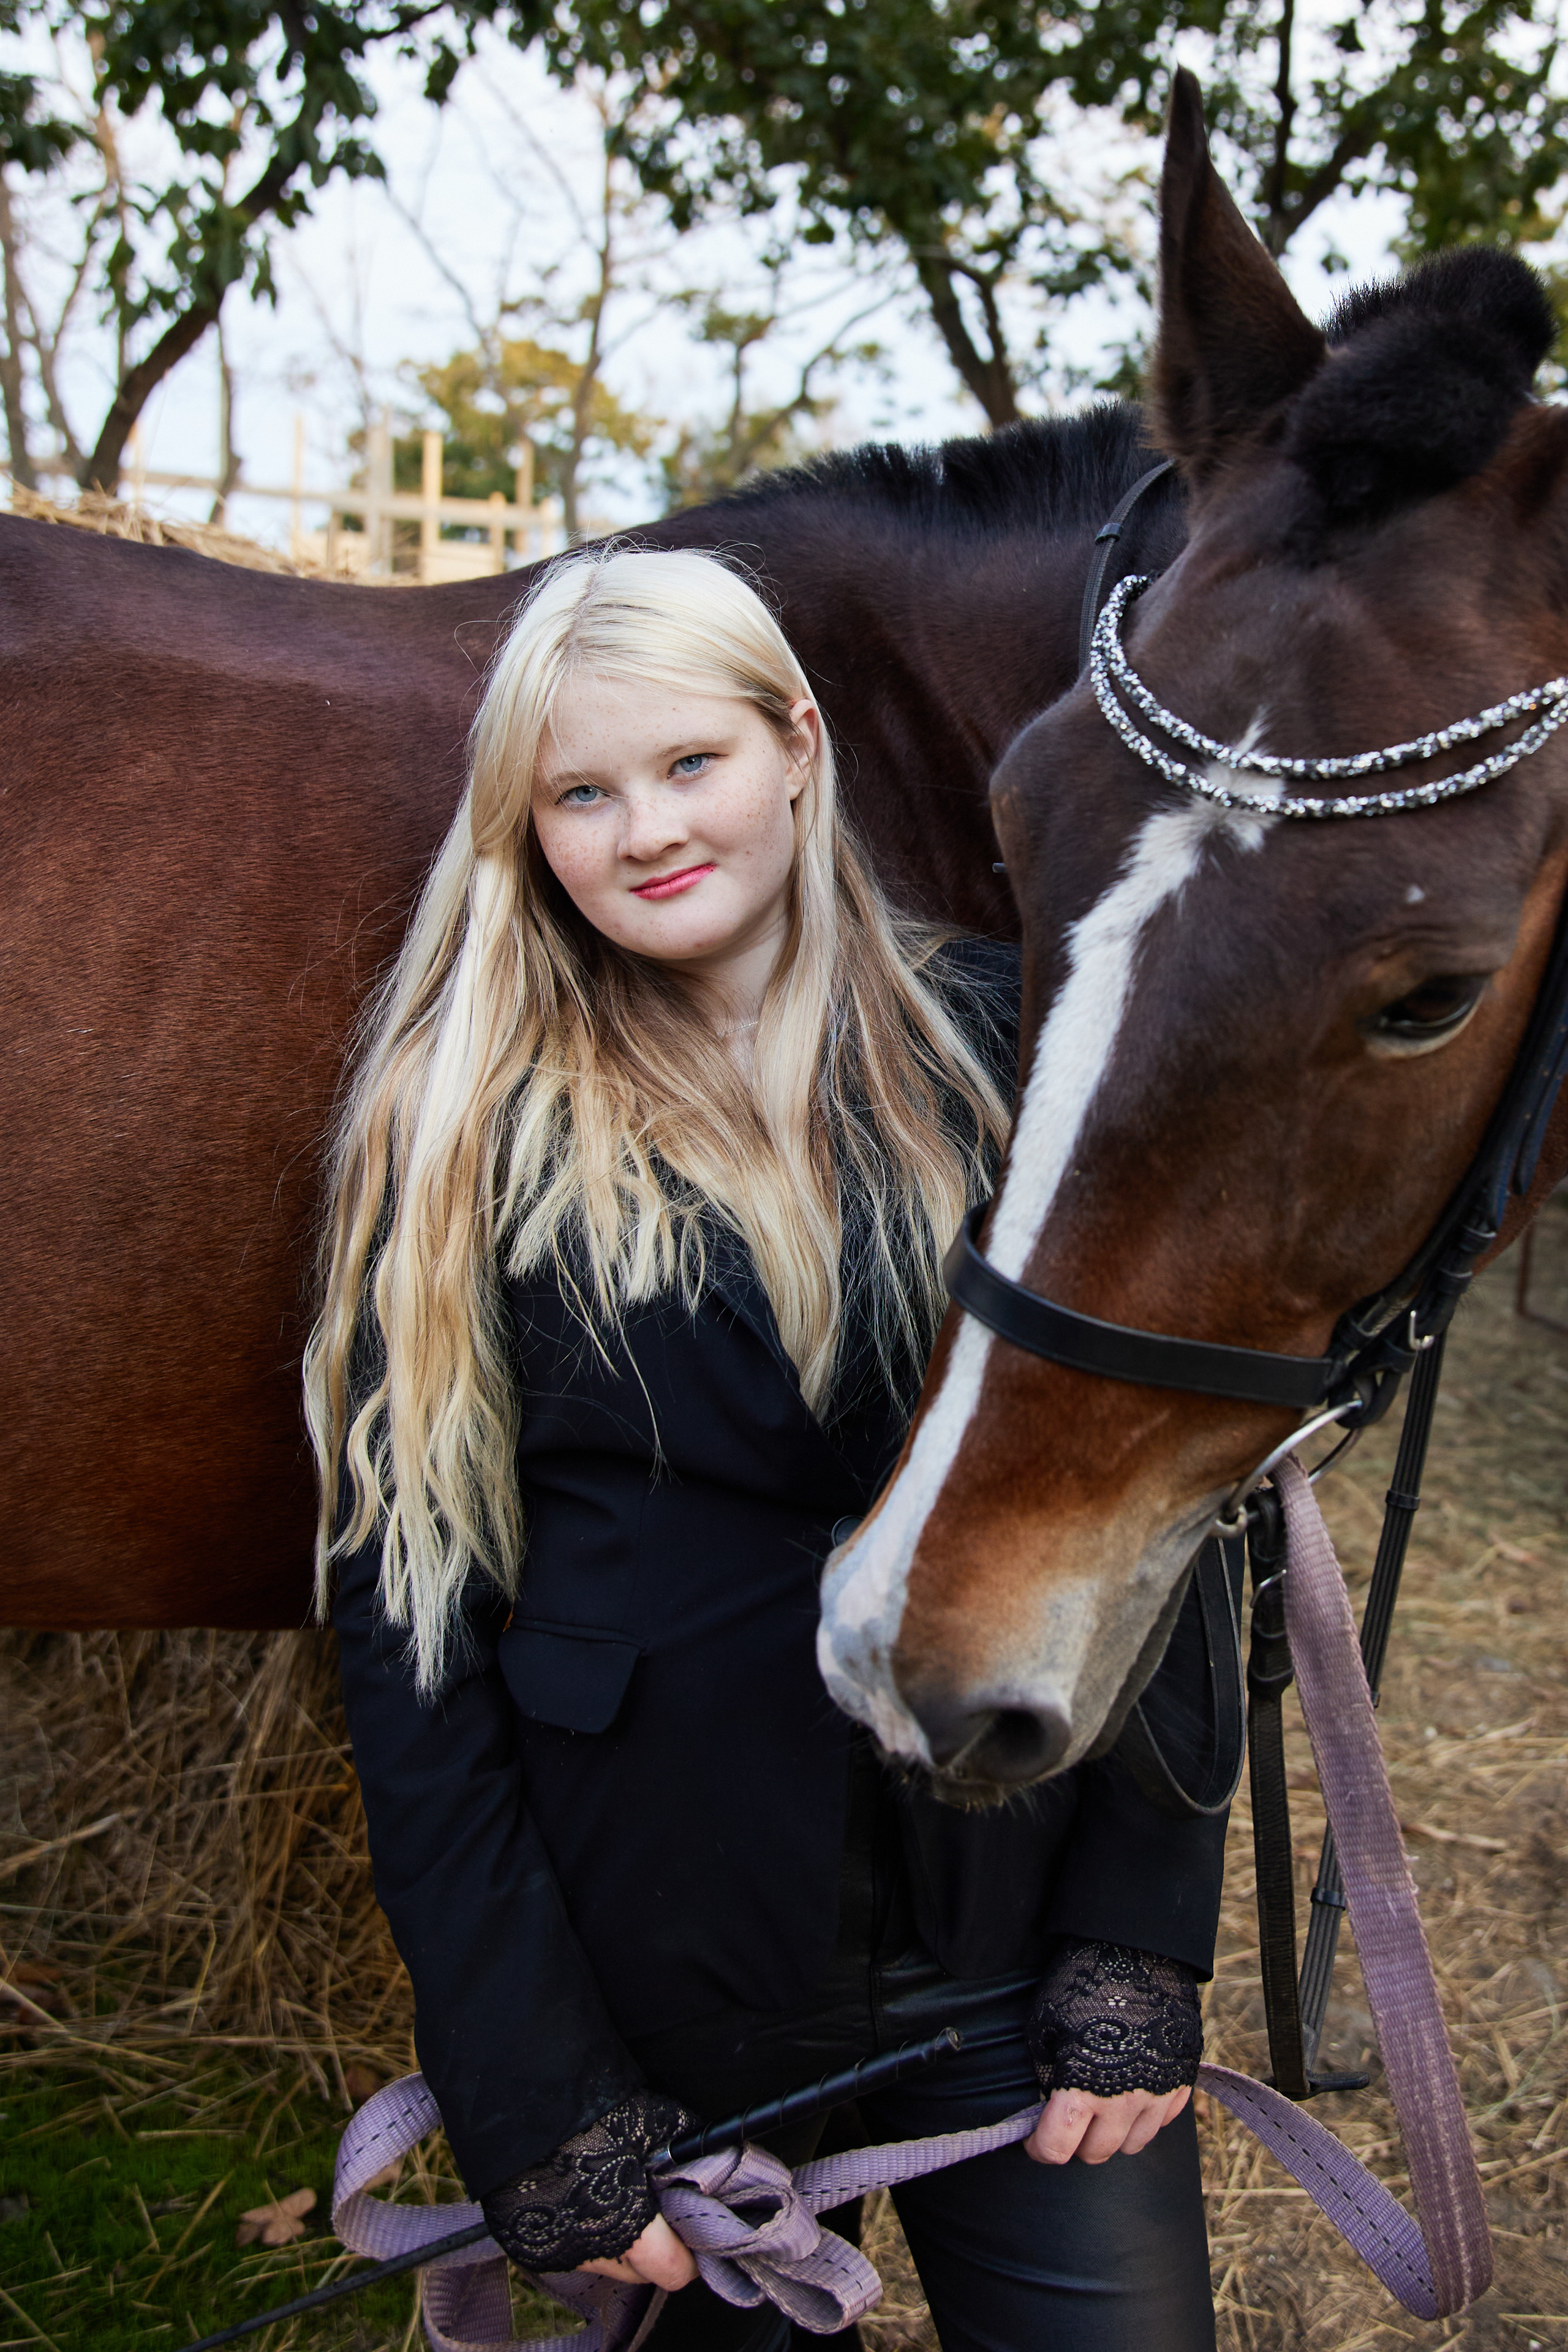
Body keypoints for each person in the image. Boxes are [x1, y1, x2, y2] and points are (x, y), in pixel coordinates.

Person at [306, 548, 1227, 2352]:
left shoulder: (1011, 1047)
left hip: (1016, 1953)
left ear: (796, 745)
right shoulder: (457, 1130)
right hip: (659, 2009)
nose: (644, 827)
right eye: (582, 792)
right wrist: (533, 2086)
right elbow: (406, 1639)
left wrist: (1140, 1931)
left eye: (688, 764)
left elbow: (1154, 1488)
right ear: (528, 828)